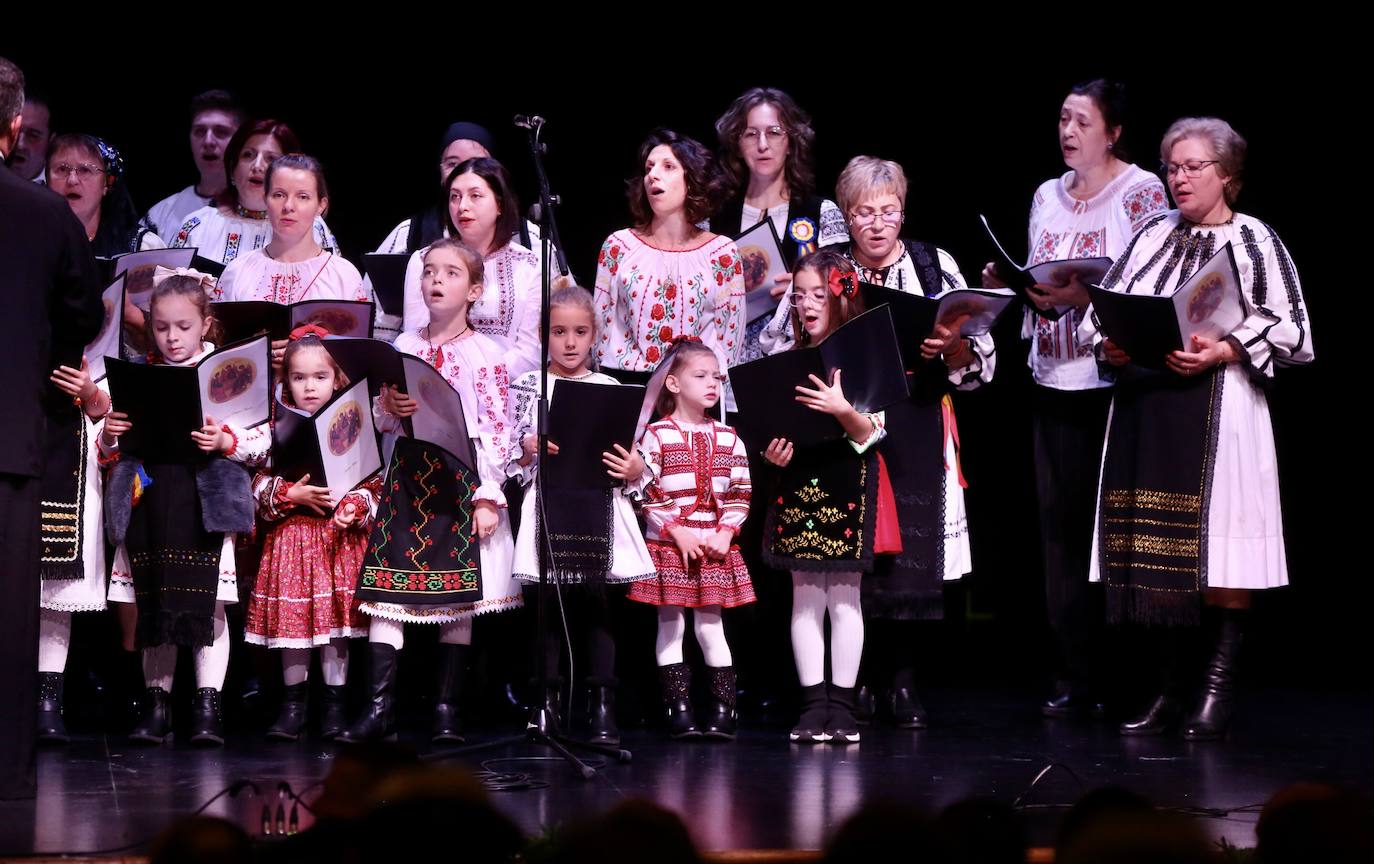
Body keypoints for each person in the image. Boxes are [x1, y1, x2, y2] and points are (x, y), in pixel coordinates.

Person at [1080, 117, 1313, 739]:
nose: (1178, 178)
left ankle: (1215, 691)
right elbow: (1103, 308)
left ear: (1227, 174)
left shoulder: (1254, 240)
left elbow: (1292, 330)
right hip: (1148, 409)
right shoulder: (1151, 235)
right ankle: (1169, 689)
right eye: (1172, 167)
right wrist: (1112, 341)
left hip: (1220, 409)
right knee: (1163, 556)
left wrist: (1225, 348)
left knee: (1223, 550)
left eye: (1192, 167)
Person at [981, 79, 1168, 718]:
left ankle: (1128, 678)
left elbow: (1148, 280)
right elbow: (1040, 270)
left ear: (1113, 132)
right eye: (1063, 119)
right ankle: (1073, 673)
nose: (1068, 132)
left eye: (1083, 122)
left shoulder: (1143, 192)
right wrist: (1013, 286)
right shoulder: (1044, 195)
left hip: (1112, 386)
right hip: (1051, 382)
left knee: (1112, 532)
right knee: (1058, 532)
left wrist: (1084, 297)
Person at [341, 239, 521, 744]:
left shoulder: (487, 353)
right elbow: (380, 418)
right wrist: (388, 409)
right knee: (387, 592)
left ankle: (446, 710)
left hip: (458, 480)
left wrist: (489, 494)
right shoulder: (403, 347)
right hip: (407, 477)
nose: (436, 281)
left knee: (457, 599)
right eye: (429, 272)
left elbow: (496, 428)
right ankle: (379, 710)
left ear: (474, 290)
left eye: (450, 273)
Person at [104, 272, 269, 747]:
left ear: (205, 325)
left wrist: (225, 440)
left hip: (205, 502)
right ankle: (157, 706)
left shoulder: (226, 375)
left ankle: (207, 706)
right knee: (152, 599)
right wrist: (113, 431)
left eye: (182, 326)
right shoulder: (139, 374)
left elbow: (263, 438)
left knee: (208, 603)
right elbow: (109, 444)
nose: (172, 337)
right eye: (161, 327)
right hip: (151, 499)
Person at [0, 56, 103, 797]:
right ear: (14, 128)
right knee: (8, 615)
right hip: (8, 437)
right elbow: (81, 314)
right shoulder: (44, 215)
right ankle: (3, 770)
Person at [508, 286, 654, 745]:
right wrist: (527, 448)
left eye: (580, 332)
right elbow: (512, 448)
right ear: (543, 335)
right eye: (558, 332)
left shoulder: (608, 388)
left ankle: (602, 705)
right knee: (547, 609)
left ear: (595, 336)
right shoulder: (530, 385)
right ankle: (546, 703)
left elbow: (630, 456)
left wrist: (635, 469)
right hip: (550, 500)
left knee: (598, 605)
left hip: (598, 502)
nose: (569, 343)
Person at [761, 251, 894, 744]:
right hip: (800, 479)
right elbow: (772, 428)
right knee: (804, 598)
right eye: (799, 296)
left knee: (843, 599)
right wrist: (772, 454)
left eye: (818, 294)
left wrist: (842, 409)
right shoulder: (787, 359)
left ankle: (841, 704)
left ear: (840, 295)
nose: (807, 305)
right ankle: (813, 703)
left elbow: (874, 433)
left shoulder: (863, 355)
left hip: (848, 480)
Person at [245, 328, 380, 741]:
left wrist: (354, 506)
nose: (308, 386)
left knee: (334, 627)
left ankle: (335, 707)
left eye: (319, 377)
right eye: (299, 377)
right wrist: (290, 492)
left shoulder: (355, 419)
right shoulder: (275, 423)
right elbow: (257, 480)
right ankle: (293, 707)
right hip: (292, 536)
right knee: (295, 627)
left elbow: (374, 481)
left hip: (335, 537)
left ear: (336, 379)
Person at [627, 338, 754, 740]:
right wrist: (675, 529)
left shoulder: (730, 438)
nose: (712, 384)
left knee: (710, 628)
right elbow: (646, 488)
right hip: (670, 545)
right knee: (670, 625)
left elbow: (740, 491)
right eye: (700, 376)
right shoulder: (658, 435)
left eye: (716, 377)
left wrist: (726, 530)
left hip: (713, 546)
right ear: (674, 384)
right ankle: (677, 707)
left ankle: (722, 708)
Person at [594, 129, 744, 380]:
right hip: (625, 384)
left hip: (693, 392)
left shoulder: (721, 253)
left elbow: (729, 341)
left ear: (692, 179)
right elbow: (601, 328)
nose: (653, 175)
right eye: (649, 167)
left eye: (668, 167)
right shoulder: (619, 246)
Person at [711, 87, 848, 361]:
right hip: (722, 366)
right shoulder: (714, 215)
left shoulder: (821, 212)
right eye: (751, 134)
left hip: (798, 361)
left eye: (774, 132)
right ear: (738, 142)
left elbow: (848, 290)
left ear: (791, 142)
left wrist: (804, 291)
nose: (762, 144)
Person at [399, 158, 541, 376]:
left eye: (475, 196)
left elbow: (530, 351)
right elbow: (416, 337)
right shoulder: (423, 261)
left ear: (500, 204)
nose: (462, 206)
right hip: (435, 386)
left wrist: (479, 378)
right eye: (455, 197)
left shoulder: (529, 265)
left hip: (506, 390)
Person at [169, 119, 336, 264]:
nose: (257, 166)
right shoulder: (197, 225)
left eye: (271, 159)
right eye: (248, 155)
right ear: (232, 167)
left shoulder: (311, 227)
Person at [145, 90, 245, 239]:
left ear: (241, 140)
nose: (208, 141)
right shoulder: (160, 215)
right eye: (200, 131)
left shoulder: (265, 215)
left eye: (221, 132)